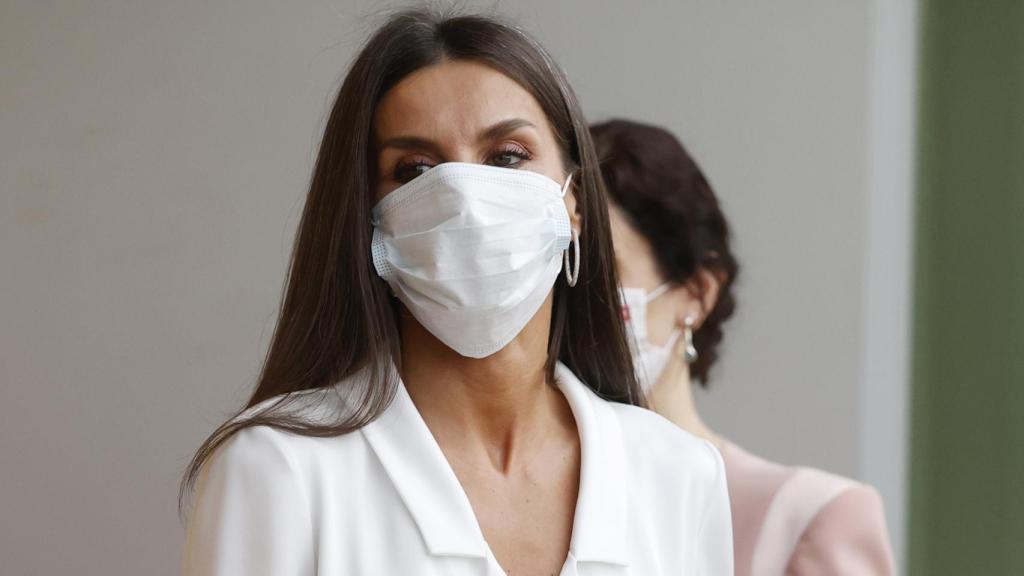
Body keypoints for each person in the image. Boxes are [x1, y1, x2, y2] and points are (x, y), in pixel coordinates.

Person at [180, 11, 733, 576]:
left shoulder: (678, 475)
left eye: (508, 157)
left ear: (574, 203)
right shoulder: (279, 469)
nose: (466, 200)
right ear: (370, 219)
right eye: (415, 169)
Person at [592, 118, 895, 575]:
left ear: (697, 293)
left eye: (605, 272)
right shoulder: (506, 502)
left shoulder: (807, 520)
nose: (575, 300)